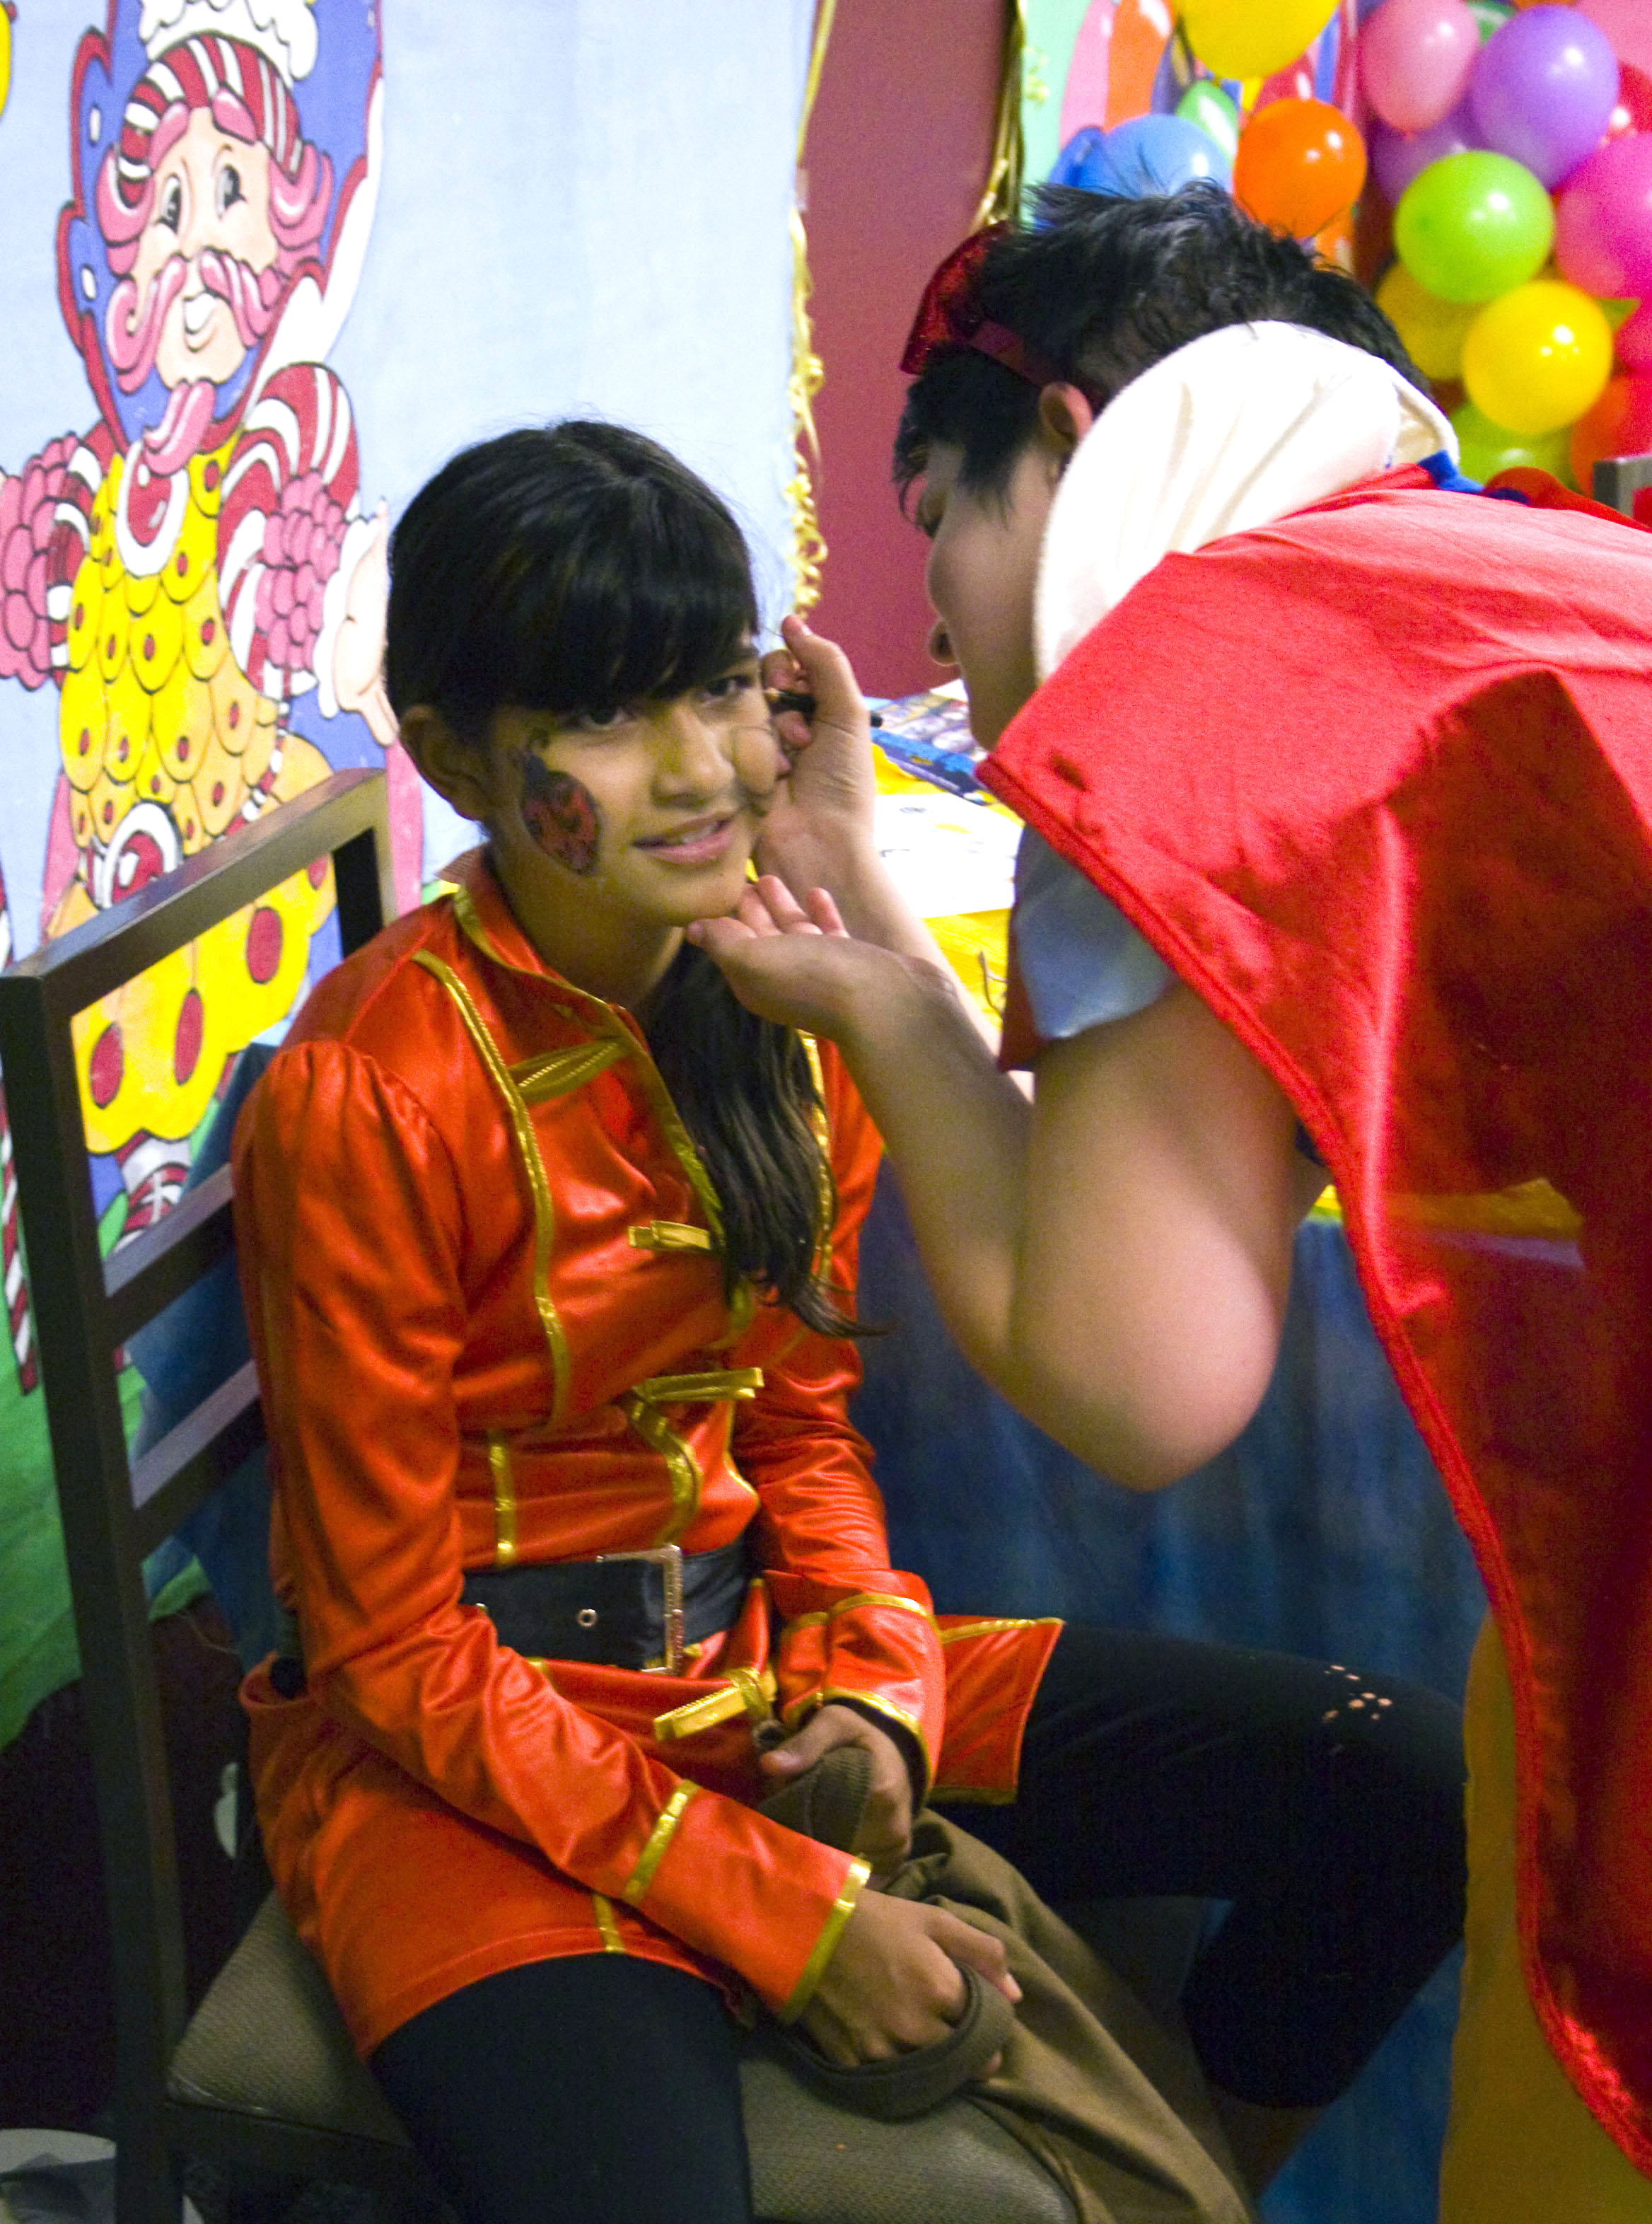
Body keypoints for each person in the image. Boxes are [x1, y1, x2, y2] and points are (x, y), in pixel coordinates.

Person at [231, 418, 1465, 2224]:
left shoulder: (797, 1010)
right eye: (605, 717)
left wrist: (879, 1692)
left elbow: (802, 1431)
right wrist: (789, 1916)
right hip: (461, 1767)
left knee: (1406, 1787)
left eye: (720, 687)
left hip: (760, 1675)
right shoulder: (373, 1093)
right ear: (450, 758)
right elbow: (392, 1647)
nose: (697, 771)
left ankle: (1182, 2173)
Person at [690, 187, 1652, 2216]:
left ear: (1065, 447)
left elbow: (1140, 1374)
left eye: (937, 512)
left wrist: (871, 994)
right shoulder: (1499, 562)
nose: (936, 612)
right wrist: (870, 885)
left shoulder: (1187, 702)